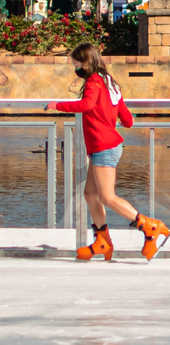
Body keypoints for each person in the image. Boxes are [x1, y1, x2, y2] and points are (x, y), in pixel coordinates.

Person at [46, 42, 169, 261]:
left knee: (106, 196)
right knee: (90, 194)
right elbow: (128, 120)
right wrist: (108, 116)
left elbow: (86, 105)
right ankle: (103, 241)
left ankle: (150, 227)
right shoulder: (109, 82)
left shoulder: (94, 81)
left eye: (77, 64)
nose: (76, 69)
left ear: (86, 62)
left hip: (104, 146)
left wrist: (57, 105)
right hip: (105, 146)